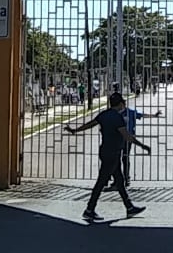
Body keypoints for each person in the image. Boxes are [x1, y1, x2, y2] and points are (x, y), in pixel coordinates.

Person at [66, 92, 149, 222]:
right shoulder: (117, 118)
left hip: (105, 151)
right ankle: (89, 209)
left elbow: (89, 124)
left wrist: (75, 130)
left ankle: (129, 207)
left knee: (119, 181)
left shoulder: (104, 115)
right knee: (101, 182)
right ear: (121, 104)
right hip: (113, 153)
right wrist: (142, 146)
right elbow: (126, 135)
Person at [118, 101, 161, 187]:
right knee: (115, 159)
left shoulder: (130, 112)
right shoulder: (115, 113)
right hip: (117, 138)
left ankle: (126, 177)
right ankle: (115, 179)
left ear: (122, 104)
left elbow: (142, 115)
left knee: (125, 158)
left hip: (128, 138)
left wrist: (153, 115)